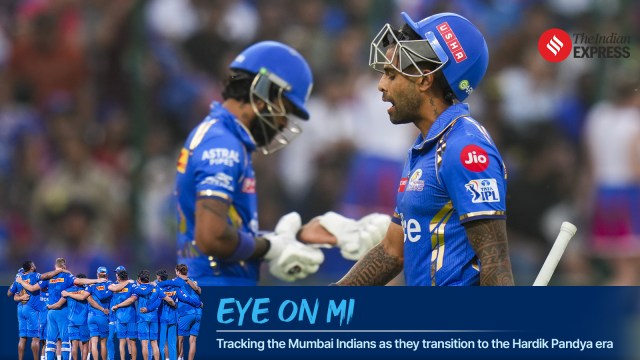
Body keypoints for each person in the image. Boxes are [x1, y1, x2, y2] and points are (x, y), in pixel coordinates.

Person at [174, 40, 390, 285]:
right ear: (263, 90)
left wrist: (295, 237)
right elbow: (210, 237)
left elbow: (227, 233)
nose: (283, 124)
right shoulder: (223, 146)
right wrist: (271, 248)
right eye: (285, 110)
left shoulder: (222, 137)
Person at [327, 12, 514, 286]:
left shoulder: (466, 148)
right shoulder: (425, 146)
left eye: (391, 74)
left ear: (425, 80)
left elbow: (495, 261)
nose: (381, 85)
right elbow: (392, 252)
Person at [17, 258, 106, 360]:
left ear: (55, 267)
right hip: (63, 311)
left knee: (50, 341)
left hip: (50, 313)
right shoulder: (67, 276)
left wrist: (21, 281)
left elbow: (32, 288)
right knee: (65, 341)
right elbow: (79, 281)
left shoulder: (48, 278)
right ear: (64, 267)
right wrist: (96, 280)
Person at [84, 266, 113, 360]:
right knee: (103, 343)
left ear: (97, 274)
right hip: (103, 316)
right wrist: (102, 309)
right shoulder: (110, 284)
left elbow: (89, 300)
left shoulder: (91, 285)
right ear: (106, 275)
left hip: (91, 316)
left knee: (94, 343)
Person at [108, 268, 137, 360]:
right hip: (131, 316)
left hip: (120, 317)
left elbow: (114, 289)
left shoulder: (114, 286)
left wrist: (117, 306)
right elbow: (132, 299)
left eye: (117, 274)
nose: (116, 275)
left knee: (123, 341)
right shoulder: (132, 285)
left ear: (119, 276)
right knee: (131, 341)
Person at [61, 274, 90, 360]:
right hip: (83, 320)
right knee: (85, 343)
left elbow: (60, 303)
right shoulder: (86, 291)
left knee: (74, 344)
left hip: (71, 320)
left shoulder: (67, 291)